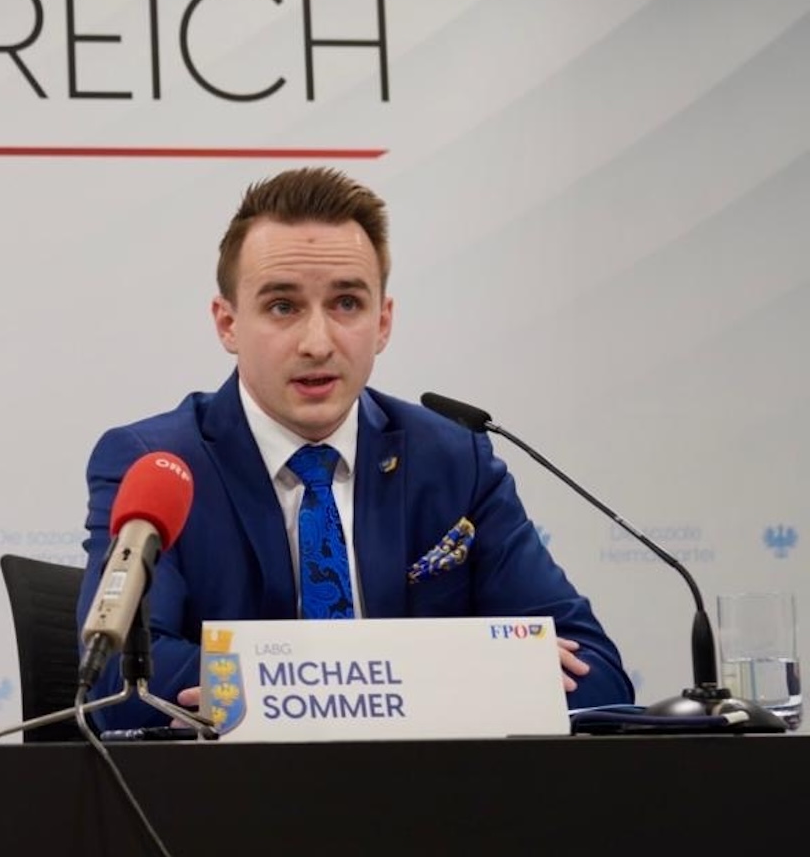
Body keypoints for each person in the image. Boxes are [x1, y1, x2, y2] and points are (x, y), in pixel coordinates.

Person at [75, 167, 632, 729]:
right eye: (282, 306)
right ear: (228, 324)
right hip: (237, 784)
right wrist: (432, 680)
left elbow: (599, 676)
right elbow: (117, 680)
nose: (317, 343)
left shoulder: (452, 461)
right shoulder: (157, 465)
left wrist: (289, 687)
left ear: (382, 322)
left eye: (346, 303)